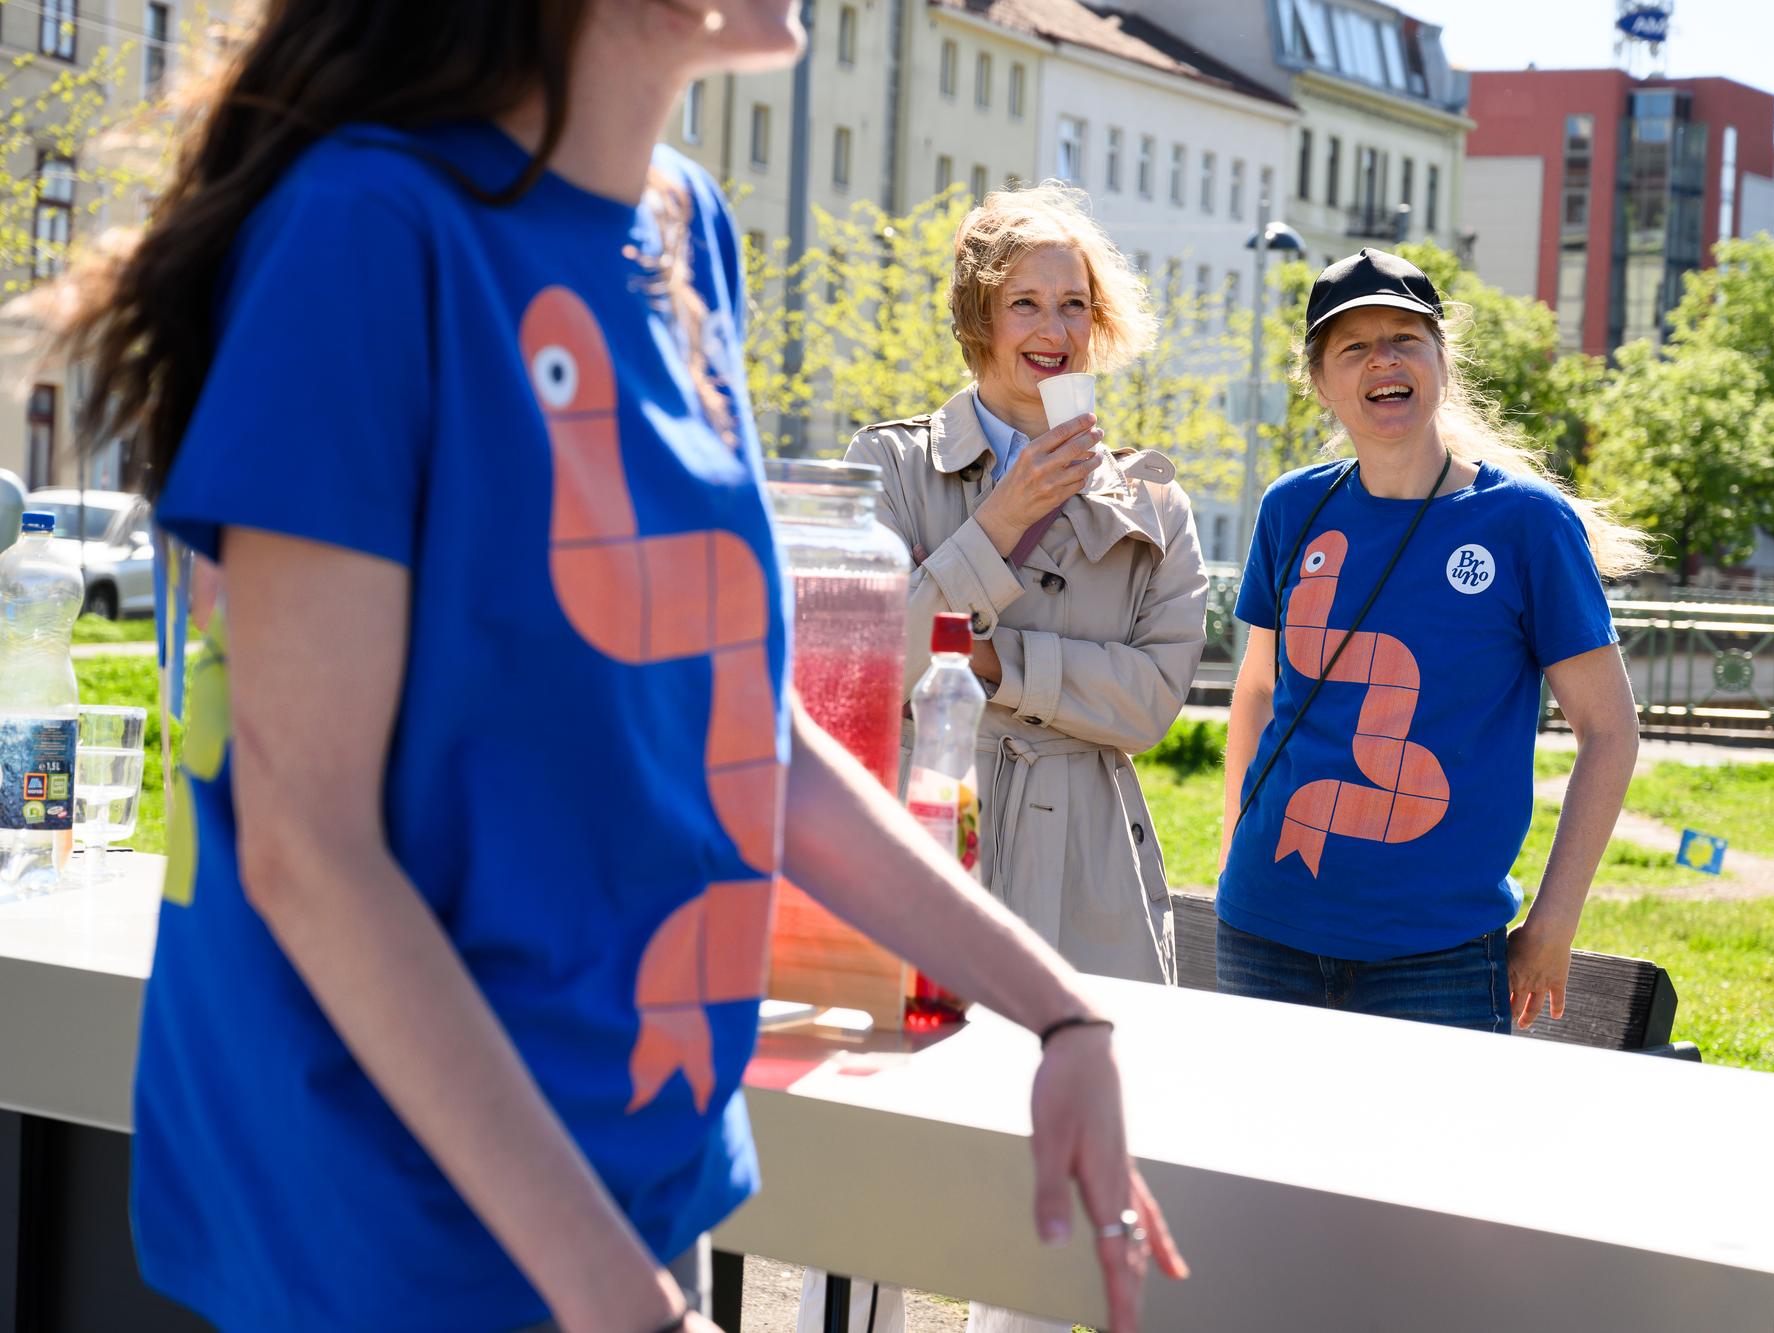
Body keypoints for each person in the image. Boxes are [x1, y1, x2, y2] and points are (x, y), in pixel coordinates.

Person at [54, 4, 1184, 1331]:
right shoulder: (366, 228)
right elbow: (308, 845)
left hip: (635, 1156)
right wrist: (624, 1303)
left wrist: (1061, 1018)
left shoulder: (685, 229)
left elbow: (745, 734)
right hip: (396, 1217)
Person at [816, 186, 1206, 1333]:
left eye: (1073, 304)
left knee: (1043, 1229)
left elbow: (1150, 698)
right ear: (977, 315)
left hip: (1084, 862)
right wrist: (993, 527)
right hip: (923, 837)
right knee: (875, 1181)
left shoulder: (1151, 498)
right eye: (1025, 300)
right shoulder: (888, 465)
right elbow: (859, 660)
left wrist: (997, 661)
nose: (1052, 327)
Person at [1217, 248, 1644, 1035]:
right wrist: (1229, 857)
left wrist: (1554, 923)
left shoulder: (1527, 524)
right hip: (1265, 926)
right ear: (1320, 381)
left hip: (1437, 951)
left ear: (1442, 361)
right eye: (1354, 346)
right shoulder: (1290, 509)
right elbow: (1256, 692)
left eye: (1405, 339)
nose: (1383, 360)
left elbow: (1610, 730)